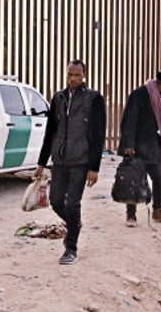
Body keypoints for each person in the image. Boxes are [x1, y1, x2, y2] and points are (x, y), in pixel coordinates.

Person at [34, 59, 107, 264]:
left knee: (73, 203)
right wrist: (41, 162)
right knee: (56, 201)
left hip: (81, 160)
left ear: (84, 75)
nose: (73, 78)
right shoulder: (58, 98)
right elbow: (50, 132)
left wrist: (94, 167)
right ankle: (75, 225)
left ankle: (70, 248)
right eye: (70, 74)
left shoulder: (94, 99)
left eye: (77, 75)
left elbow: (98, 134)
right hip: (59, 160)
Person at [119, 68, 161, 226]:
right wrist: (128, 145)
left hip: (155, 147)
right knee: (134, 180)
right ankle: (131, 215)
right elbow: (129, 120)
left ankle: (158, 211)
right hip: (138, 146)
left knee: (160, 179)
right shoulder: (140, 94)